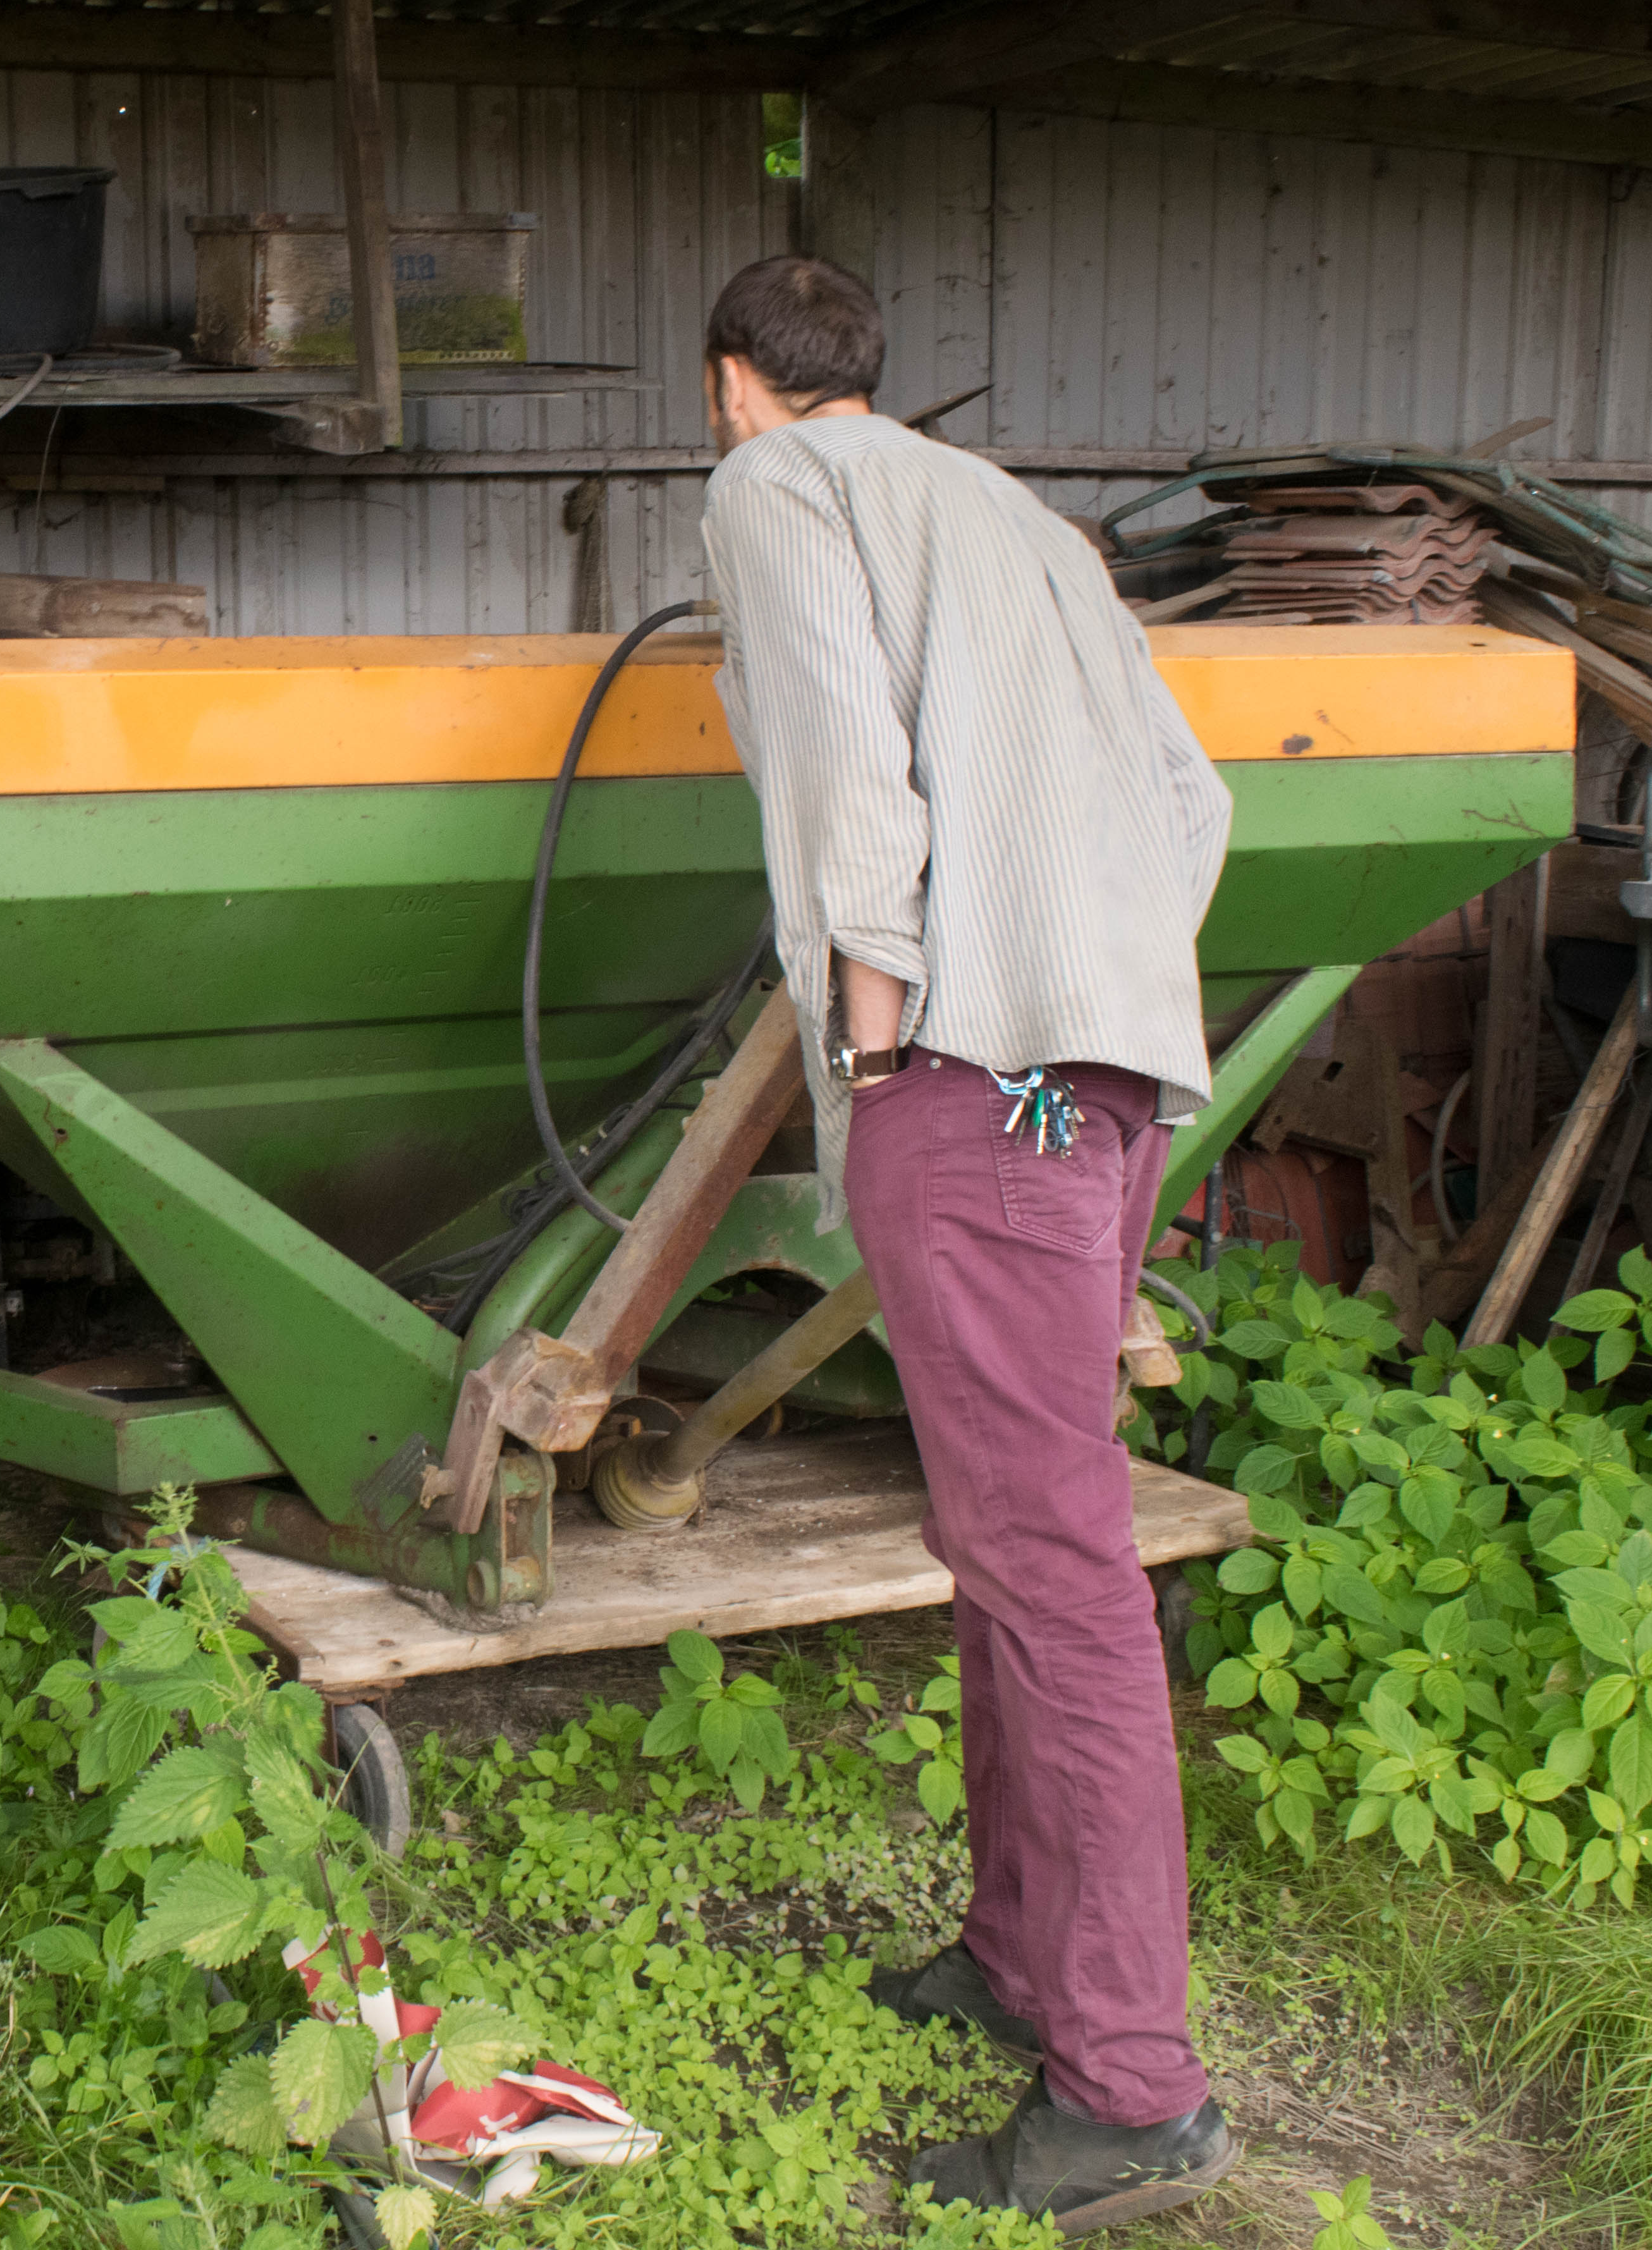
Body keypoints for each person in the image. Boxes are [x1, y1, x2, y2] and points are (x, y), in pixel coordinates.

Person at [695, 254, 1240, 2234]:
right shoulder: (1023, 519)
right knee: (1017, 1543)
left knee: (1057, 1571)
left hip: (961, 1074)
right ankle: (1023, 1968)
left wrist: (876, 1026)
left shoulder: (779, 492)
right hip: (1088, 1086)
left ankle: (1129, 2087)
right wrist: (1082, 983)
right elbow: (1194, 804)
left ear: (734, 386)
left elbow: (849, 764)